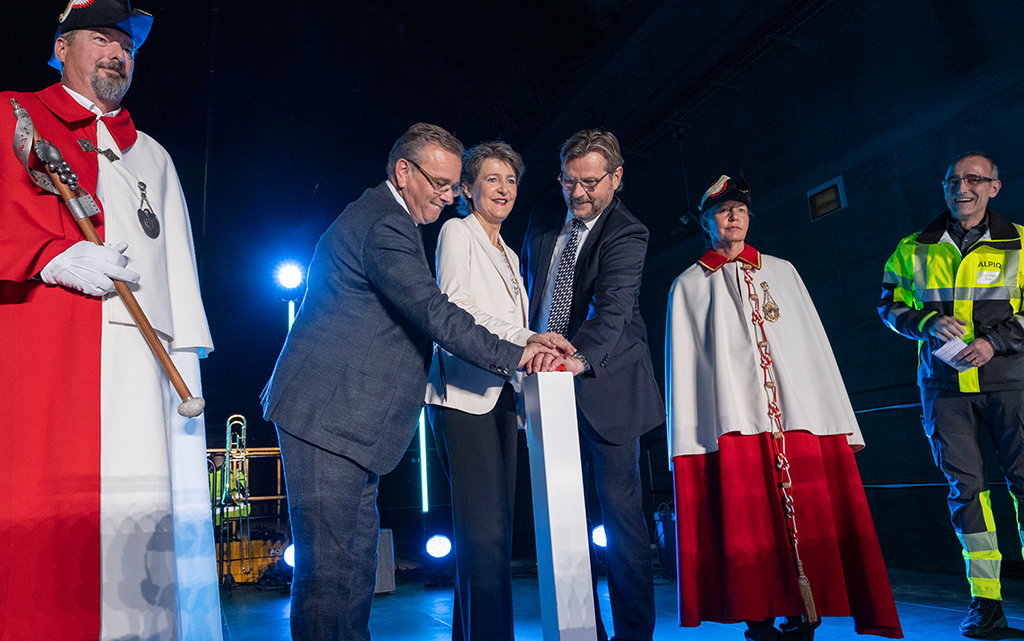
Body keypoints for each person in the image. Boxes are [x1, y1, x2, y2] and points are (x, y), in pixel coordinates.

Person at [261, 123, 570, 641]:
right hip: (325, 416)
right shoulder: (384, 224)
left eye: (453, 186)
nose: (451, 198)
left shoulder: (393, 221)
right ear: (403, 171)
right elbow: (435, 312)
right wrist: (519, 353)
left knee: (356, 566)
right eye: (443, 184)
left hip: (352, 423)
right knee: (330, 575)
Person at [0, 1, 219, 639]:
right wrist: (49, 253)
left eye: (126, 44)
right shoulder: (17, 116)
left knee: (141, 526)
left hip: (149, 369)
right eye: (100, 38)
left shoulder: (153, 155)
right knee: (55, 532)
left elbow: (178, 269)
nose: (117, 53)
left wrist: (187, 359)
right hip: (55, 351)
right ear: (61, 47)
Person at [668, 175, 903, 641]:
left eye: (740, 209)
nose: (734, 216)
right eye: (723, 210)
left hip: (795, 419)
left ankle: (805, 616)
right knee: (748, 524)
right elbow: (688, 369)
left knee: (809, 517)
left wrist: (828, 412)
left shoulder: (782, 271)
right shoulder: (689, 285)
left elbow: (811, 347)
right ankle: (759, 619)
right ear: (706, 221)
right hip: (732, 425)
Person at [522, 128, 664, 641]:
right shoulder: (541, 216)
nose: (578, 193)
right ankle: (585, 630)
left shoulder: (627, 231)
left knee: (621, 519)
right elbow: (531, 294)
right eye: (568, 181)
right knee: (562, 519)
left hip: (607, 385)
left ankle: (632, 634)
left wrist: (573, 359)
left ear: (616, 177)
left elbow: (613, 312)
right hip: (544, 388)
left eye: (590, 182)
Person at [879, 151, 1023, 638]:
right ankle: (986, 604)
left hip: (1011, 383)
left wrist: (993, 341)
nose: (963, 187)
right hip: (944, 389)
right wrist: (925, 322)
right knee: (966, 493)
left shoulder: (1020, 242)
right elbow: (889, 303)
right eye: (954, 180)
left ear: (994, 188)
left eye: (975, 179)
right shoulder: (913, 246)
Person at [423, 141, 553, 641]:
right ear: (468, 189)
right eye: (492, 179)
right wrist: (528, 339)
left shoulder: (507, 251)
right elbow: (455, 311)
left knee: (495, 536)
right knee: (485, 537)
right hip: (462, 398)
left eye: (512, 180)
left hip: (503, 399)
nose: (504, 189)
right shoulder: (458, 233)